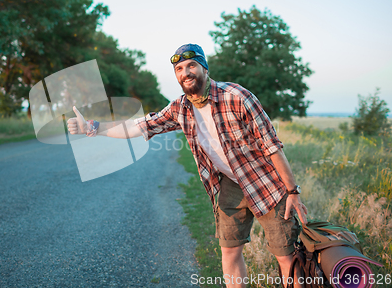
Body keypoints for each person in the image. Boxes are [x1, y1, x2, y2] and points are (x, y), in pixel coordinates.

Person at [68, 43, 308, 288]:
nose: (186, 72)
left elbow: (272, 147)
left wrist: (292, 191)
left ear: (204, 68)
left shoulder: (237, 97)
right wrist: (92, 127)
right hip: (230, 185)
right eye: (179, 68)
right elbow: (138, 126)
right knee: (229, 251)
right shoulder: (180, 108)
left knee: (285, 256)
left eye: (191, 65)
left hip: (266, 182)